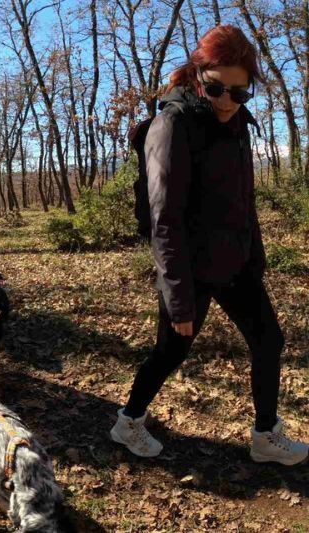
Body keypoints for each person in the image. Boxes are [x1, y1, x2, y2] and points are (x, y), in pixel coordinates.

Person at [111, 25, 308, 466]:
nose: (227, 102)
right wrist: (178, 298)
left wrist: (254, 257)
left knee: (269, 342)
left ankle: (265, 436)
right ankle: (128, 421)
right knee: (170, 351)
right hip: (191, 269)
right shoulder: (172, 125)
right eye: (218, 89)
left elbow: (244, 199)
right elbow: (164, 219)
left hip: (235, 265)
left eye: (240, 93)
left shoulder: (238, 123)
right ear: (199, 75)